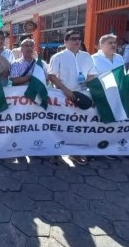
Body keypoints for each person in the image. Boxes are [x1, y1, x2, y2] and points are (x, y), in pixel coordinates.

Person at [47, 30, 97, 166]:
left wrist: (90, 91)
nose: (77, 41)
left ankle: (75, 153)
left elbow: (91, 75)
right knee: (60, 125)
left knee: (78, 126)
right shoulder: (58, 57)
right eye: (73, 39)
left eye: (79, 39)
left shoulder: (87, 56)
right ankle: (55, 153)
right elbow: (51, 76)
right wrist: (66, 90)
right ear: (65, 41)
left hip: (82, 95)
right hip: (62, 96)